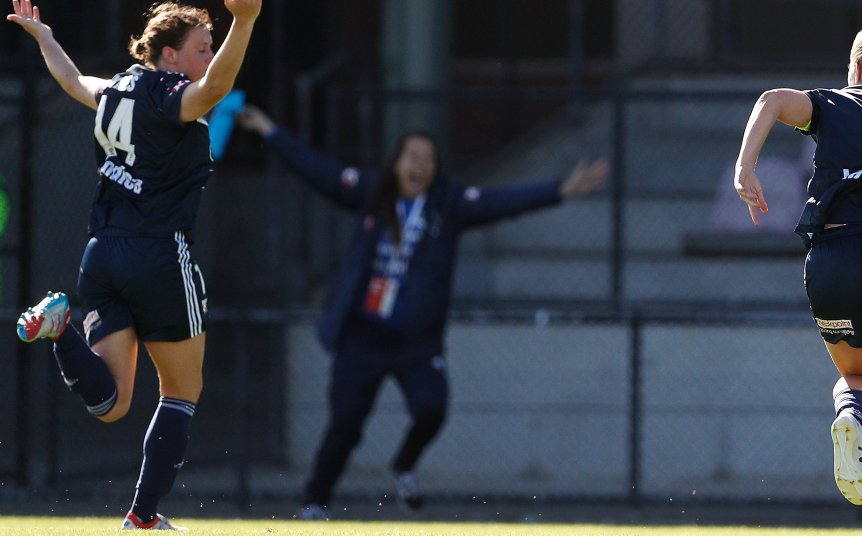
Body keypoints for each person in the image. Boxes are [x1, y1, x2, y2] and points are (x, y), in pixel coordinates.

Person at [237, 104, 609, 520]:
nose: (419, 166)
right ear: (396, 163)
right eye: (412, 157)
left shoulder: (447, 204)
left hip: (416, 340)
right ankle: (314, 502)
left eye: (428, 159)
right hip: (363, 334)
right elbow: (318, 171)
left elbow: (501, 202)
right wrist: (269, 130)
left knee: (432, 408)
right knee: (345, 424)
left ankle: (405, 464)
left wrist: (561, 190)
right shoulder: (372, 193)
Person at [8, 0, 261, 530]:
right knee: (181, 391)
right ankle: (143, 517)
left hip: (102, 253)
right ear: (169, 55)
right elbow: (216, 88)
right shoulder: (170, 95)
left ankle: (60, 329)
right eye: (202, 48)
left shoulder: (117, 87)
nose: (209, 57)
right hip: (159, 254)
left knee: (111, 404)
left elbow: (73, 80)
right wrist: (245, 20)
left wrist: (45, 39)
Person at [734, 23, 862, 536]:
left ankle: (852, 416)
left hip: (834, 254)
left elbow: (771, 99)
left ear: (856, 68)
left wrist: (746, 167)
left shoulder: (833, 103)